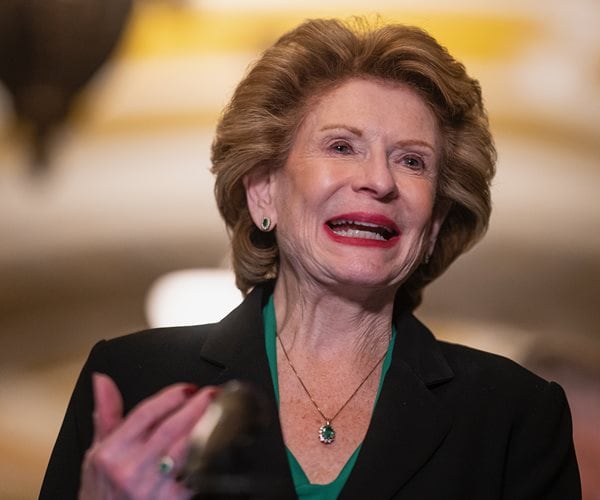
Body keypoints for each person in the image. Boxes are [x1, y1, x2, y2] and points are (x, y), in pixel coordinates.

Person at [40, 17, 581, 499]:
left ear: (434, 220)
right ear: (263, 193)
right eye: (342, 146)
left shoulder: (514, 414)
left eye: (412, 160)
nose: (379, 181)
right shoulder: (134, 379)